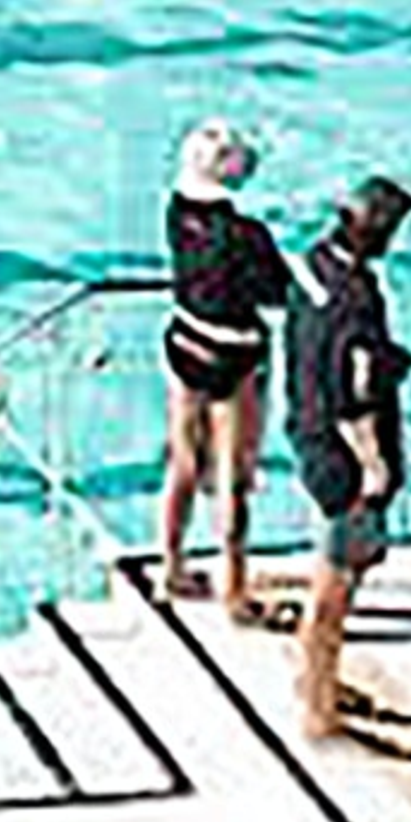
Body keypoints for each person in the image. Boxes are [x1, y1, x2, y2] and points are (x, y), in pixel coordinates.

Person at [286, 175, 411, 740]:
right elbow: (354, 393)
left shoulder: (313, 264)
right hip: (343, 457)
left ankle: (316, 679)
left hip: (307, 430)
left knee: (330, 568)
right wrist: (374, 465)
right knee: (334, 589)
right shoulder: (358, 297)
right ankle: (319, 709)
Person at [159, 121, 295, 622]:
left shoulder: (175, 215)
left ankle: (171, 566)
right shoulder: (247, 235)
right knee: (233, 477)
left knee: (184, 462)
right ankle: (234, 591)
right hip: (234, 355)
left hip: (185, 341)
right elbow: (278, 292)